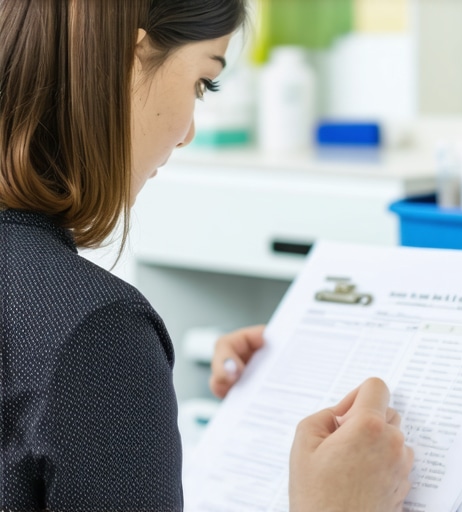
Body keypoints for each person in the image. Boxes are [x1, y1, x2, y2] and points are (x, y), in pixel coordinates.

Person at [0, 1, 413, 511]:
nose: (188, 131)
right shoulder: (98, 333)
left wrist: (136, 426)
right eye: (202, 82)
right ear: (132, 60)